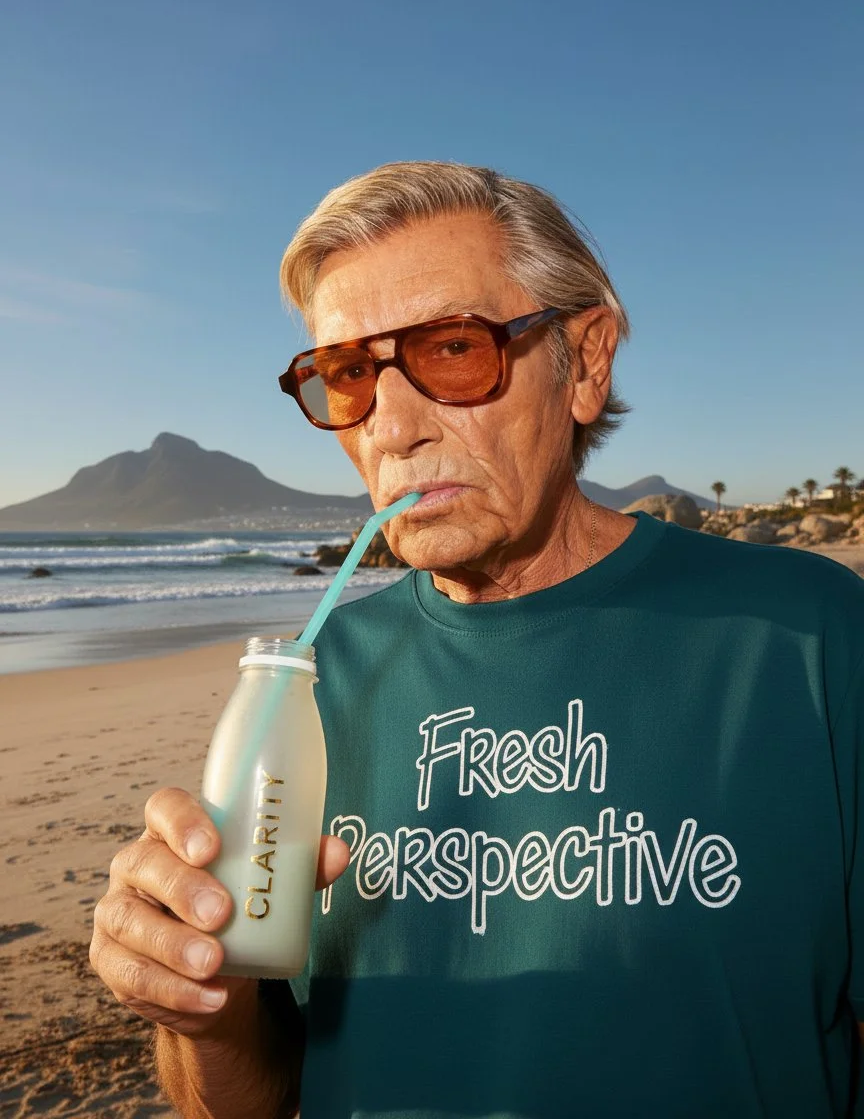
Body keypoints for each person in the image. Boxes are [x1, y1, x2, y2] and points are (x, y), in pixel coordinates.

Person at [90, 162, 864, 1118]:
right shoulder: (314, 679)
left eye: (453, 349)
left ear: (583, 363)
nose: (392, 428)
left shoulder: (814, 638)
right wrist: (201, 1012)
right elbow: (253, 1099)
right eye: (347, 374)